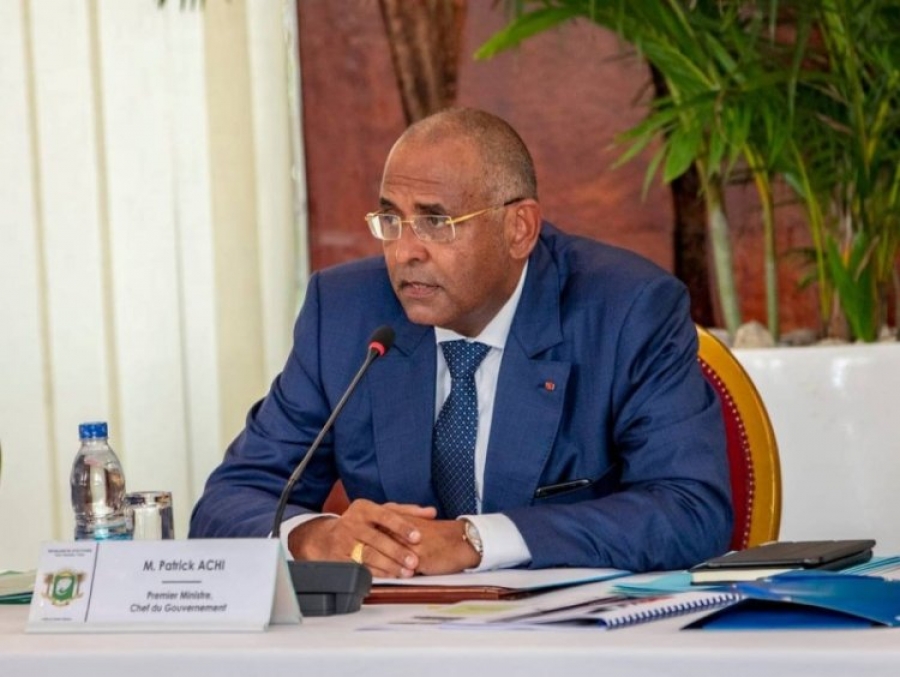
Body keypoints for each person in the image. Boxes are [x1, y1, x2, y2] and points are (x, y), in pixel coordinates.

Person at [189, 107, 732, 578]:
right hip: (390, 642)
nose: (405, 252)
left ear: (519, 229)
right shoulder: (346, 313)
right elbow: (228, 503)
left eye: (435, 222)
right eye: (391, 219)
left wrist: (476, 541)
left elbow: (691, 511)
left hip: (567, 644)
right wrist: (315, 537)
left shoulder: (625, 310)